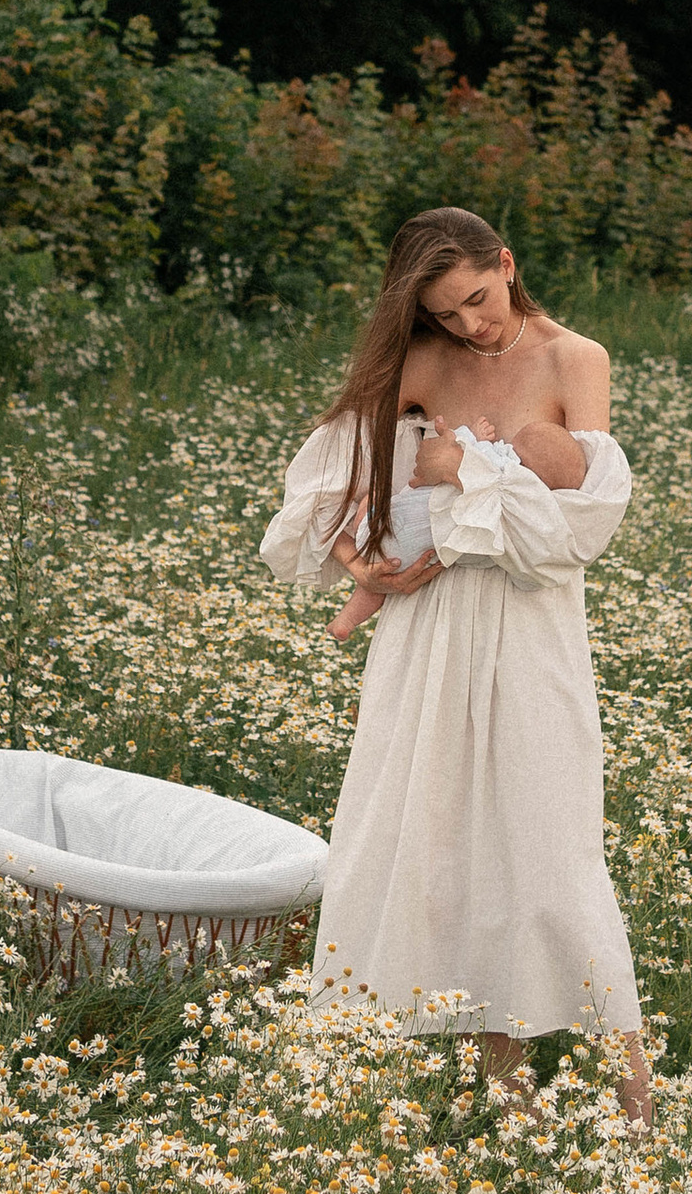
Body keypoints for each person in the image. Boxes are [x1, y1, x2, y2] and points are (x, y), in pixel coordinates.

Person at [259, 206, 651, 1123]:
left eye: (477, 298)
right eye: (444, 313)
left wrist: (465, 474)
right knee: (442, 840)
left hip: (530, 627)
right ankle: (509, 1101)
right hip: (426, 630)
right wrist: (362, 564)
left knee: (550, 852)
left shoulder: (574, 360)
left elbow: (576, 532)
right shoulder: (422, 361)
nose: (468, 324)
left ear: (506, 264)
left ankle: (639, 1111)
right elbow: (331, 477)